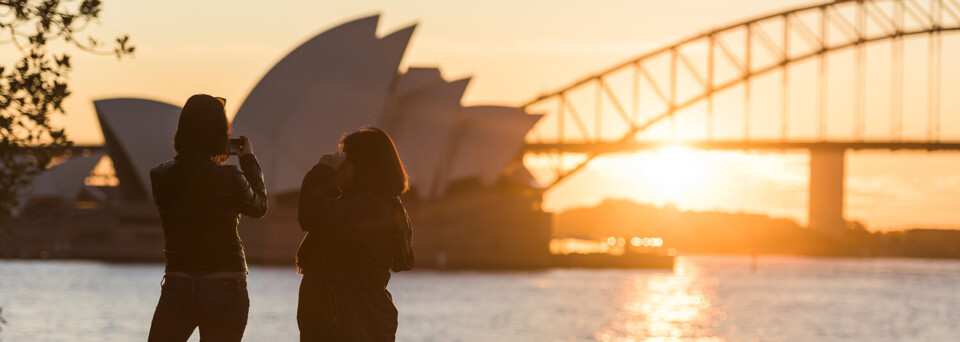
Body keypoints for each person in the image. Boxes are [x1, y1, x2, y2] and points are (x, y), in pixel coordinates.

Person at [147, 94, 268, 341]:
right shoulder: (230, 177)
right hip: (225, 284)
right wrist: (249, 160)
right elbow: (259, 206)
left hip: (177, 283)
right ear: (219, 133)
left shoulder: (160, 176)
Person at [296, 127, 415, 342]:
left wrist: (323, 171)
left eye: (345, 159)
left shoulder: (370, 209)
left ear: (363, 165)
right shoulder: (373, 205)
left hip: (349, 329)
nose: (338, 167)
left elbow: (311, 214)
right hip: (352, 326)